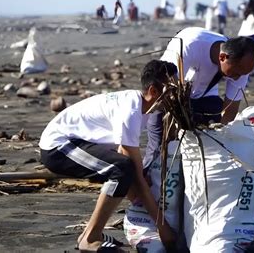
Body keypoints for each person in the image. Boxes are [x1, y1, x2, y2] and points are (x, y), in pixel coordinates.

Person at [40, 60, 178, 252]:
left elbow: (125, 155)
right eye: (172, 90)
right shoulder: (131, 111)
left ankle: (88, 233)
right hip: (58, 147)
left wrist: (138, 196)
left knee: (126, 168)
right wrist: (162, 227)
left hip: (78, 143)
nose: (176, 96)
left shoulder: (142, 107)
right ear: (154, 91)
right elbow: (133, 173)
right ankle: (90, 237)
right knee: (122, 169)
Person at [145, 27, 254, 166]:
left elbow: (230, 109)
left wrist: (222, 137)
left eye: (244, 73)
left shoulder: (241, 66)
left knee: (210, 137)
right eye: (236, 72)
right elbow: (166, 89)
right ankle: (147, 175)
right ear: (222, 57)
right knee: (160, 146)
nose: (238, 77)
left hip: (204, 93)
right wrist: (172, 133)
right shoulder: (190, 45)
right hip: (167, 94)